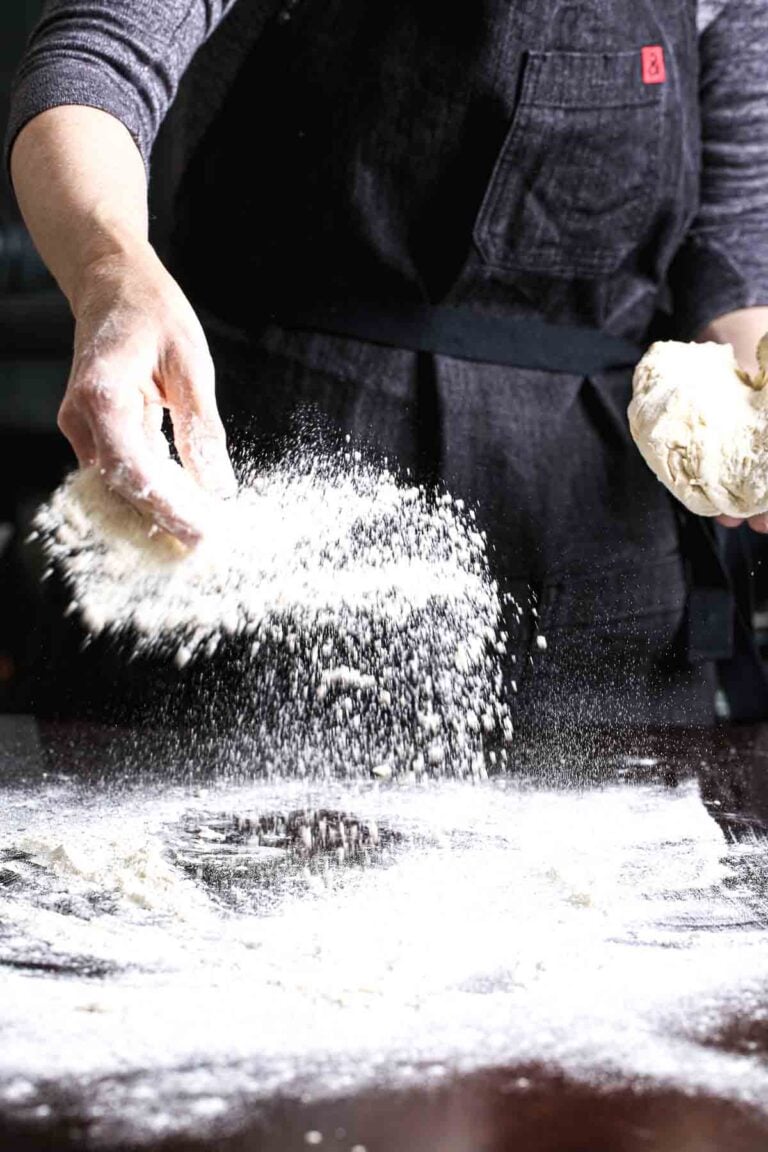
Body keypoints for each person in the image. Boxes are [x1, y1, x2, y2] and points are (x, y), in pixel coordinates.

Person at [5, 0, 768, 729]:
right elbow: (93, 63)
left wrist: (756, 419)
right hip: (260, 500)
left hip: (601, 558)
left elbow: (735, 258)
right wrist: (113, 269)